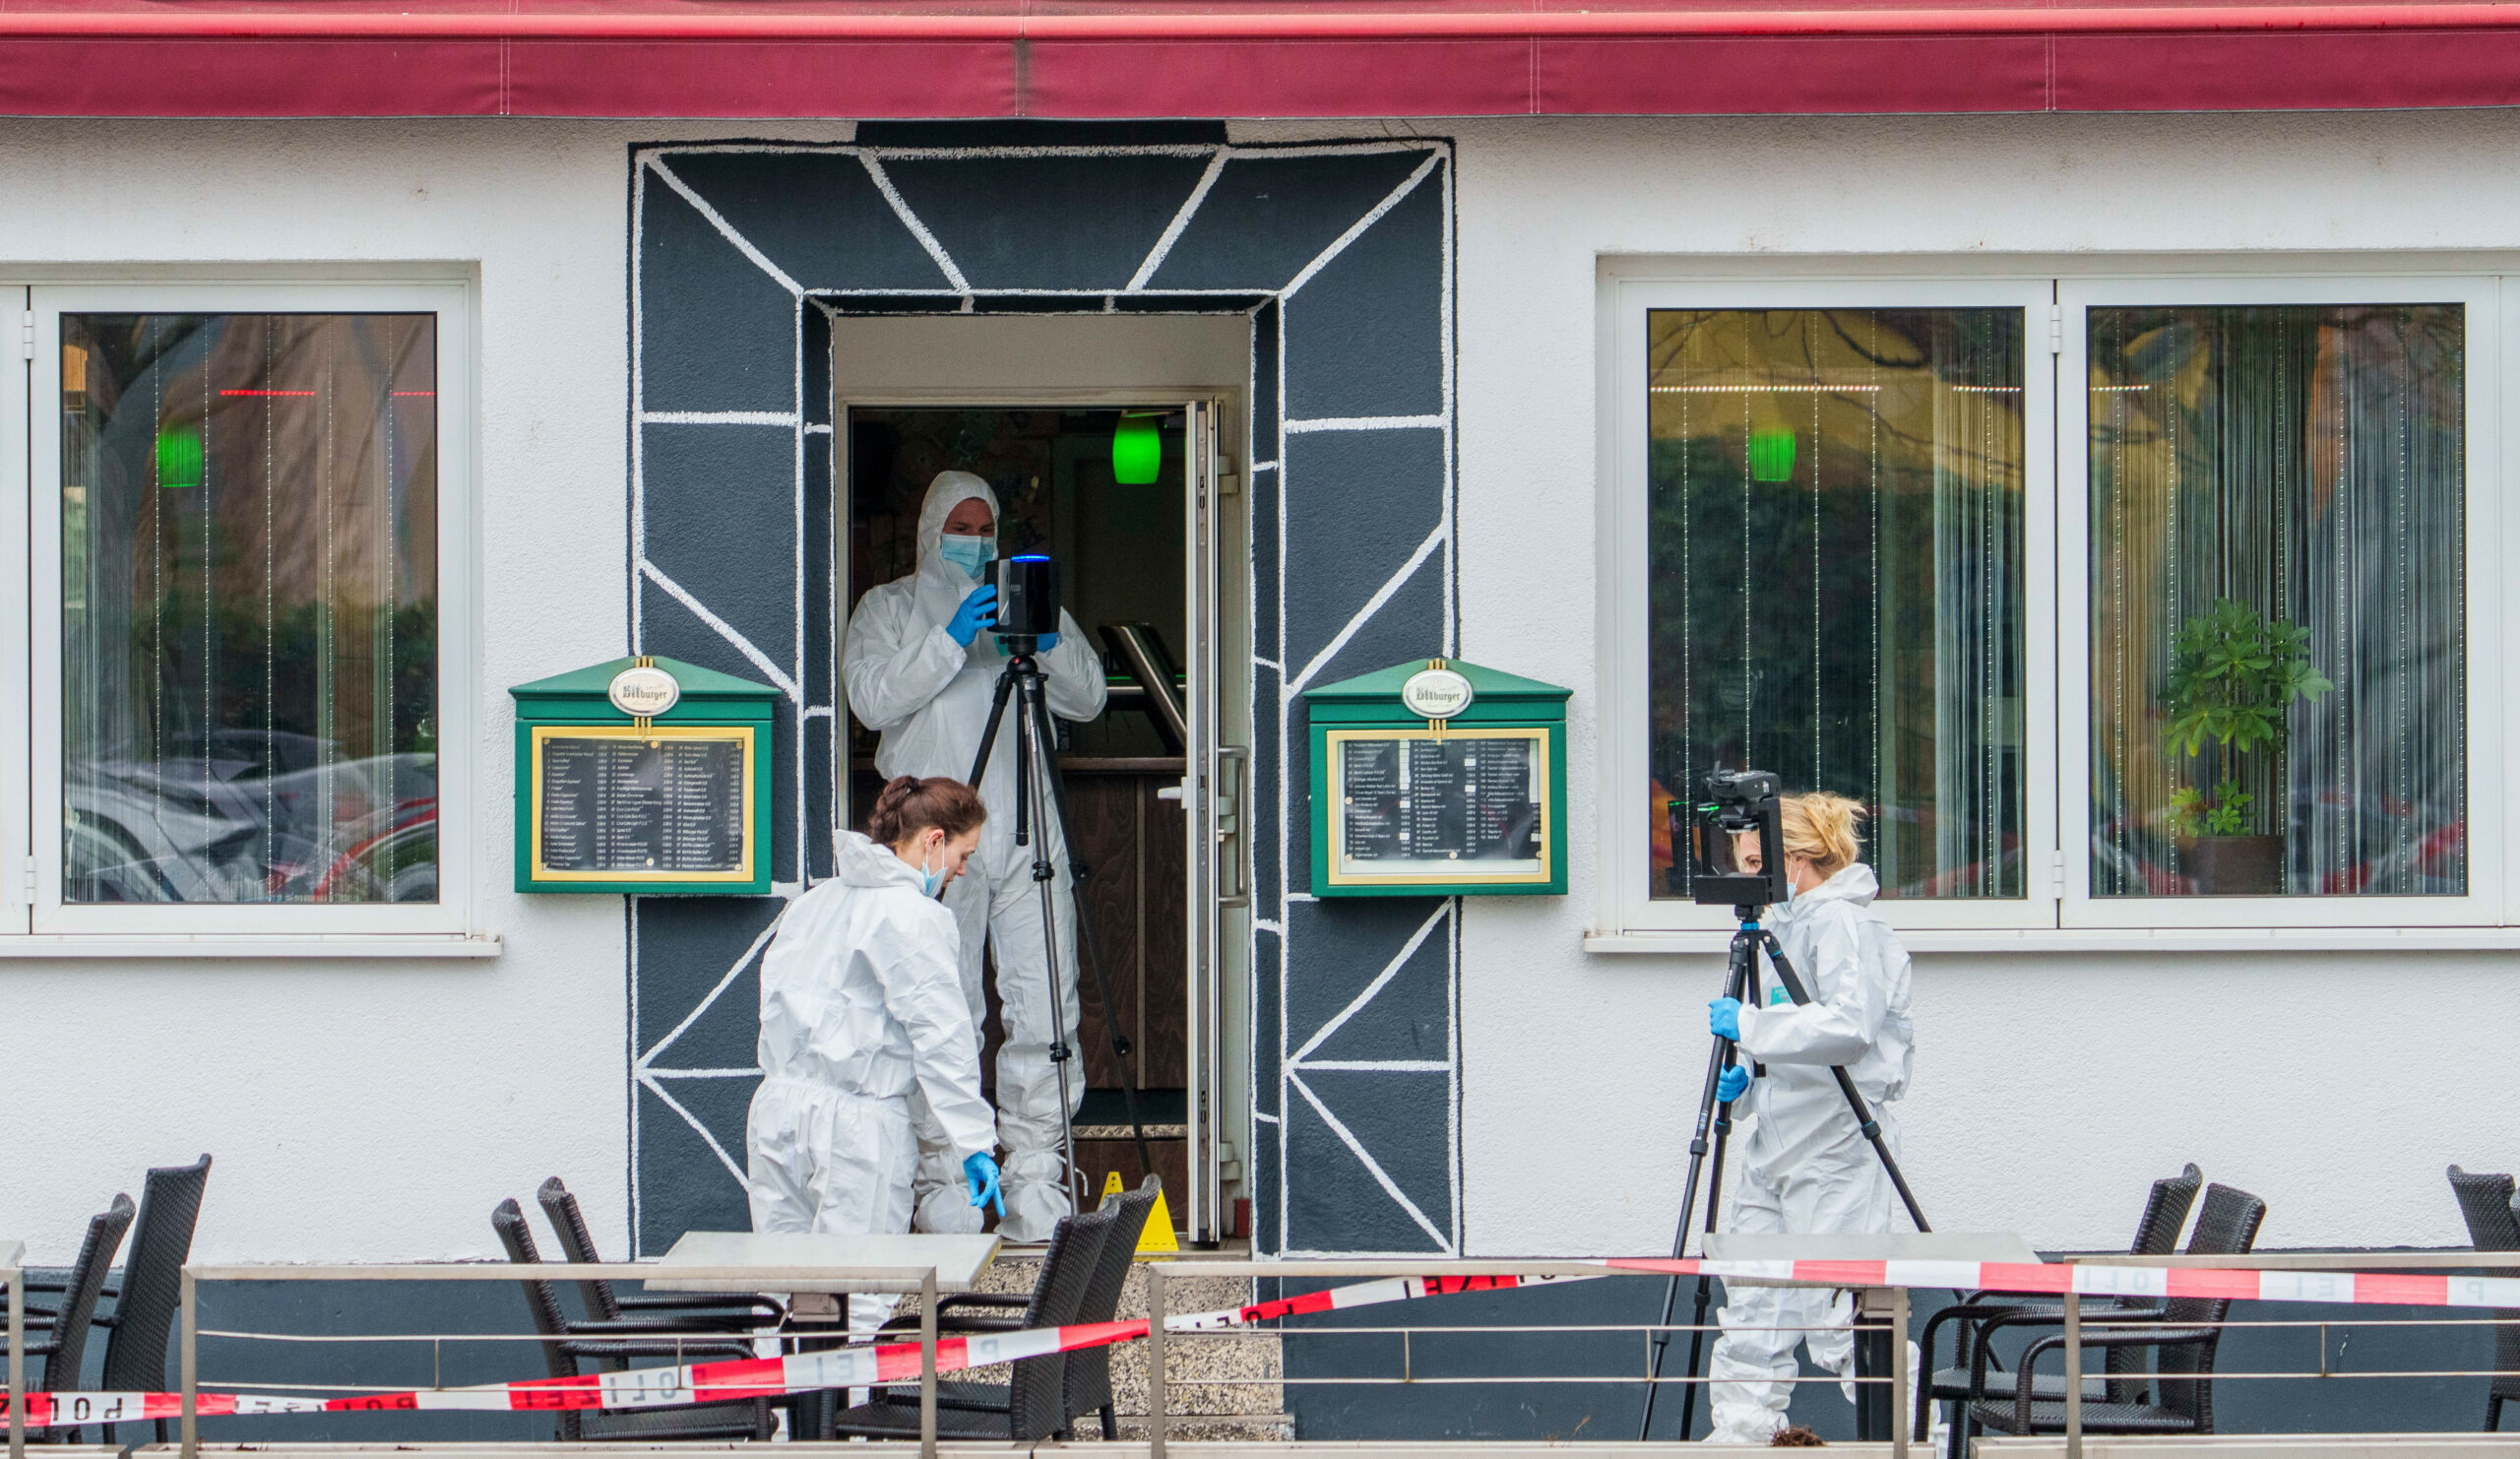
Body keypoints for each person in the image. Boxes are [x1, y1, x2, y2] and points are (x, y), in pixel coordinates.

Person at [841, 470, 1109, 1241]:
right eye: (960, 525)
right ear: (930, 530)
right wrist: (951, 638)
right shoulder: (888, 608)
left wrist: (1047, 637)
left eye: (986, 526)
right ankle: (946, 1182)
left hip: (1027, 830)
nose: (975, 540)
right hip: (933, 836)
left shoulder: (1026, 604)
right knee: (941, 1005)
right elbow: (870, 699)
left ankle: (1038, 1179)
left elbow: (1088, 699)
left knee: (1044, 1003)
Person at [745, 774, 1004, 1332]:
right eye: (963, 854)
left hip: (777, 1111)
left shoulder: (816, 903)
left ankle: (782, 1421)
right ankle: (841, 1421)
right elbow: (943, 1039)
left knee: (781, 1292)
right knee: (857, 1299)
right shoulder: (915, 917)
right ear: (934, 840)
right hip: (856, 1127)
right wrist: (974, 1140)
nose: (962, 870)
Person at [1703, 791, 1916, 1445]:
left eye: (1755, 865)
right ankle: (1740, 1436)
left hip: (1832, 1154)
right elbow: (1797, 1038)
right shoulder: (1786, 929)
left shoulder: (1841, 924)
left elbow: (1850, 1028)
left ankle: (1909, 1438)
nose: (1748, 880)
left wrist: (1753, 1026)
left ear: (1795, 858)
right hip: (1776, 1144)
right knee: (1753, 1310)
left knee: (1839, 1316)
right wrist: (1745, 1085)